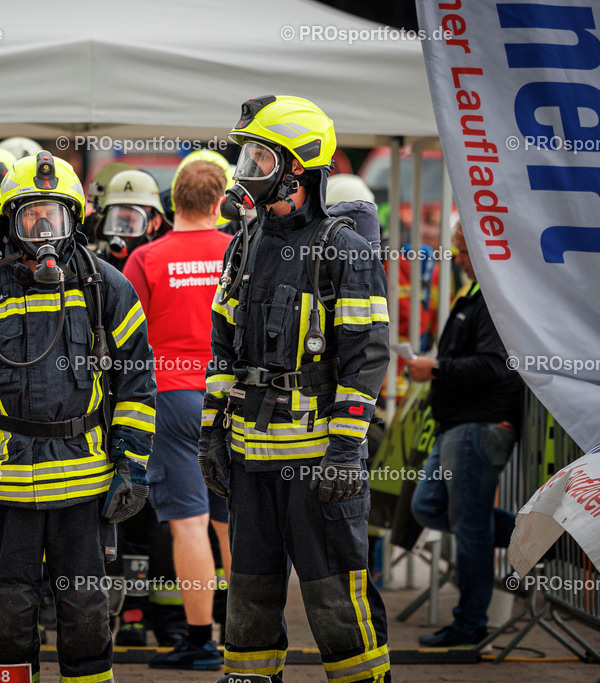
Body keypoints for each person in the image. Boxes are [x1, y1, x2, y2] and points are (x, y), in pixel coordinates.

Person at [0, 151, 157, 682]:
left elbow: (137, 384)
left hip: (86, 486)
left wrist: (131, 466)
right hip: (5, 486)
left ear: (74, 219)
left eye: (53, 215)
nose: (43, 229)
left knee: (86, 610)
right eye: (31, 216)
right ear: (9, 221)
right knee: (8, 609)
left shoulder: (106, 287)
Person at [198, 96, 391, 683]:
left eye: (260, 158)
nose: (246, 170)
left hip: (318, 462)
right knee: (249, 599)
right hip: (250, 458)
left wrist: (345, 450)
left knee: (336, 600)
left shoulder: (345, 251)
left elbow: (366, 358)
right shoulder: (243, 245)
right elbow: (222, 349)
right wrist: (211, 435)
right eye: (247, 157)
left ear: (297, 168)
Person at [122, 160, 233, 670]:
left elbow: (124, 337)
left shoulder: (146, 258)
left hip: (171, 397)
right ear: (219, 203)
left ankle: (200, 641)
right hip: (232, 396)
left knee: (190, 523)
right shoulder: (239, 251)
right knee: (234, 524)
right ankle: (251, 637)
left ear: (171, 204)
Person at [408, 221, 522, 648]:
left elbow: (494, 366)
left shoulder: (492, 299)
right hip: (459, 424)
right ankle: (538, 536)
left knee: (469, 523)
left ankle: (470, 624)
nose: (454, 257)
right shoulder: (474, 294)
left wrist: (436, 368)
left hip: (479, 424)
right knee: (431, 506)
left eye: (461, 250)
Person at [97, 169, 167, 269]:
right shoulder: (92, 264)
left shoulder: (164, 265)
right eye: (117, 219)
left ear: (156, 222)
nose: (122, 227)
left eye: (131, 220)